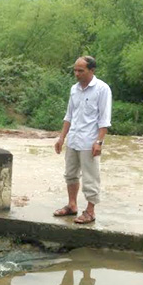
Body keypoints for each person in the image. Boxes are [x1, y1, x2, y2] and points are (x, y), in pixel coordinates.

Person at [53, 56, 111, 224]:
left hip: (89, 141)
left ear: (91, 70)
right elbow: (69, 115)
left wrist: (99, 141)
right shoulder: (74, 89)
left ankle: (90, 211)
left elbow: (104, 118)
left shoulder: (102, 89)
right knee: (70, 174)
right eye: (75, 70)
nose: (76, 74)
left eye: (80, 71)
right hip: (73, 139)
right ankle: (72, 205)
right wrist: (62, 137)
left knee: (90, 176)